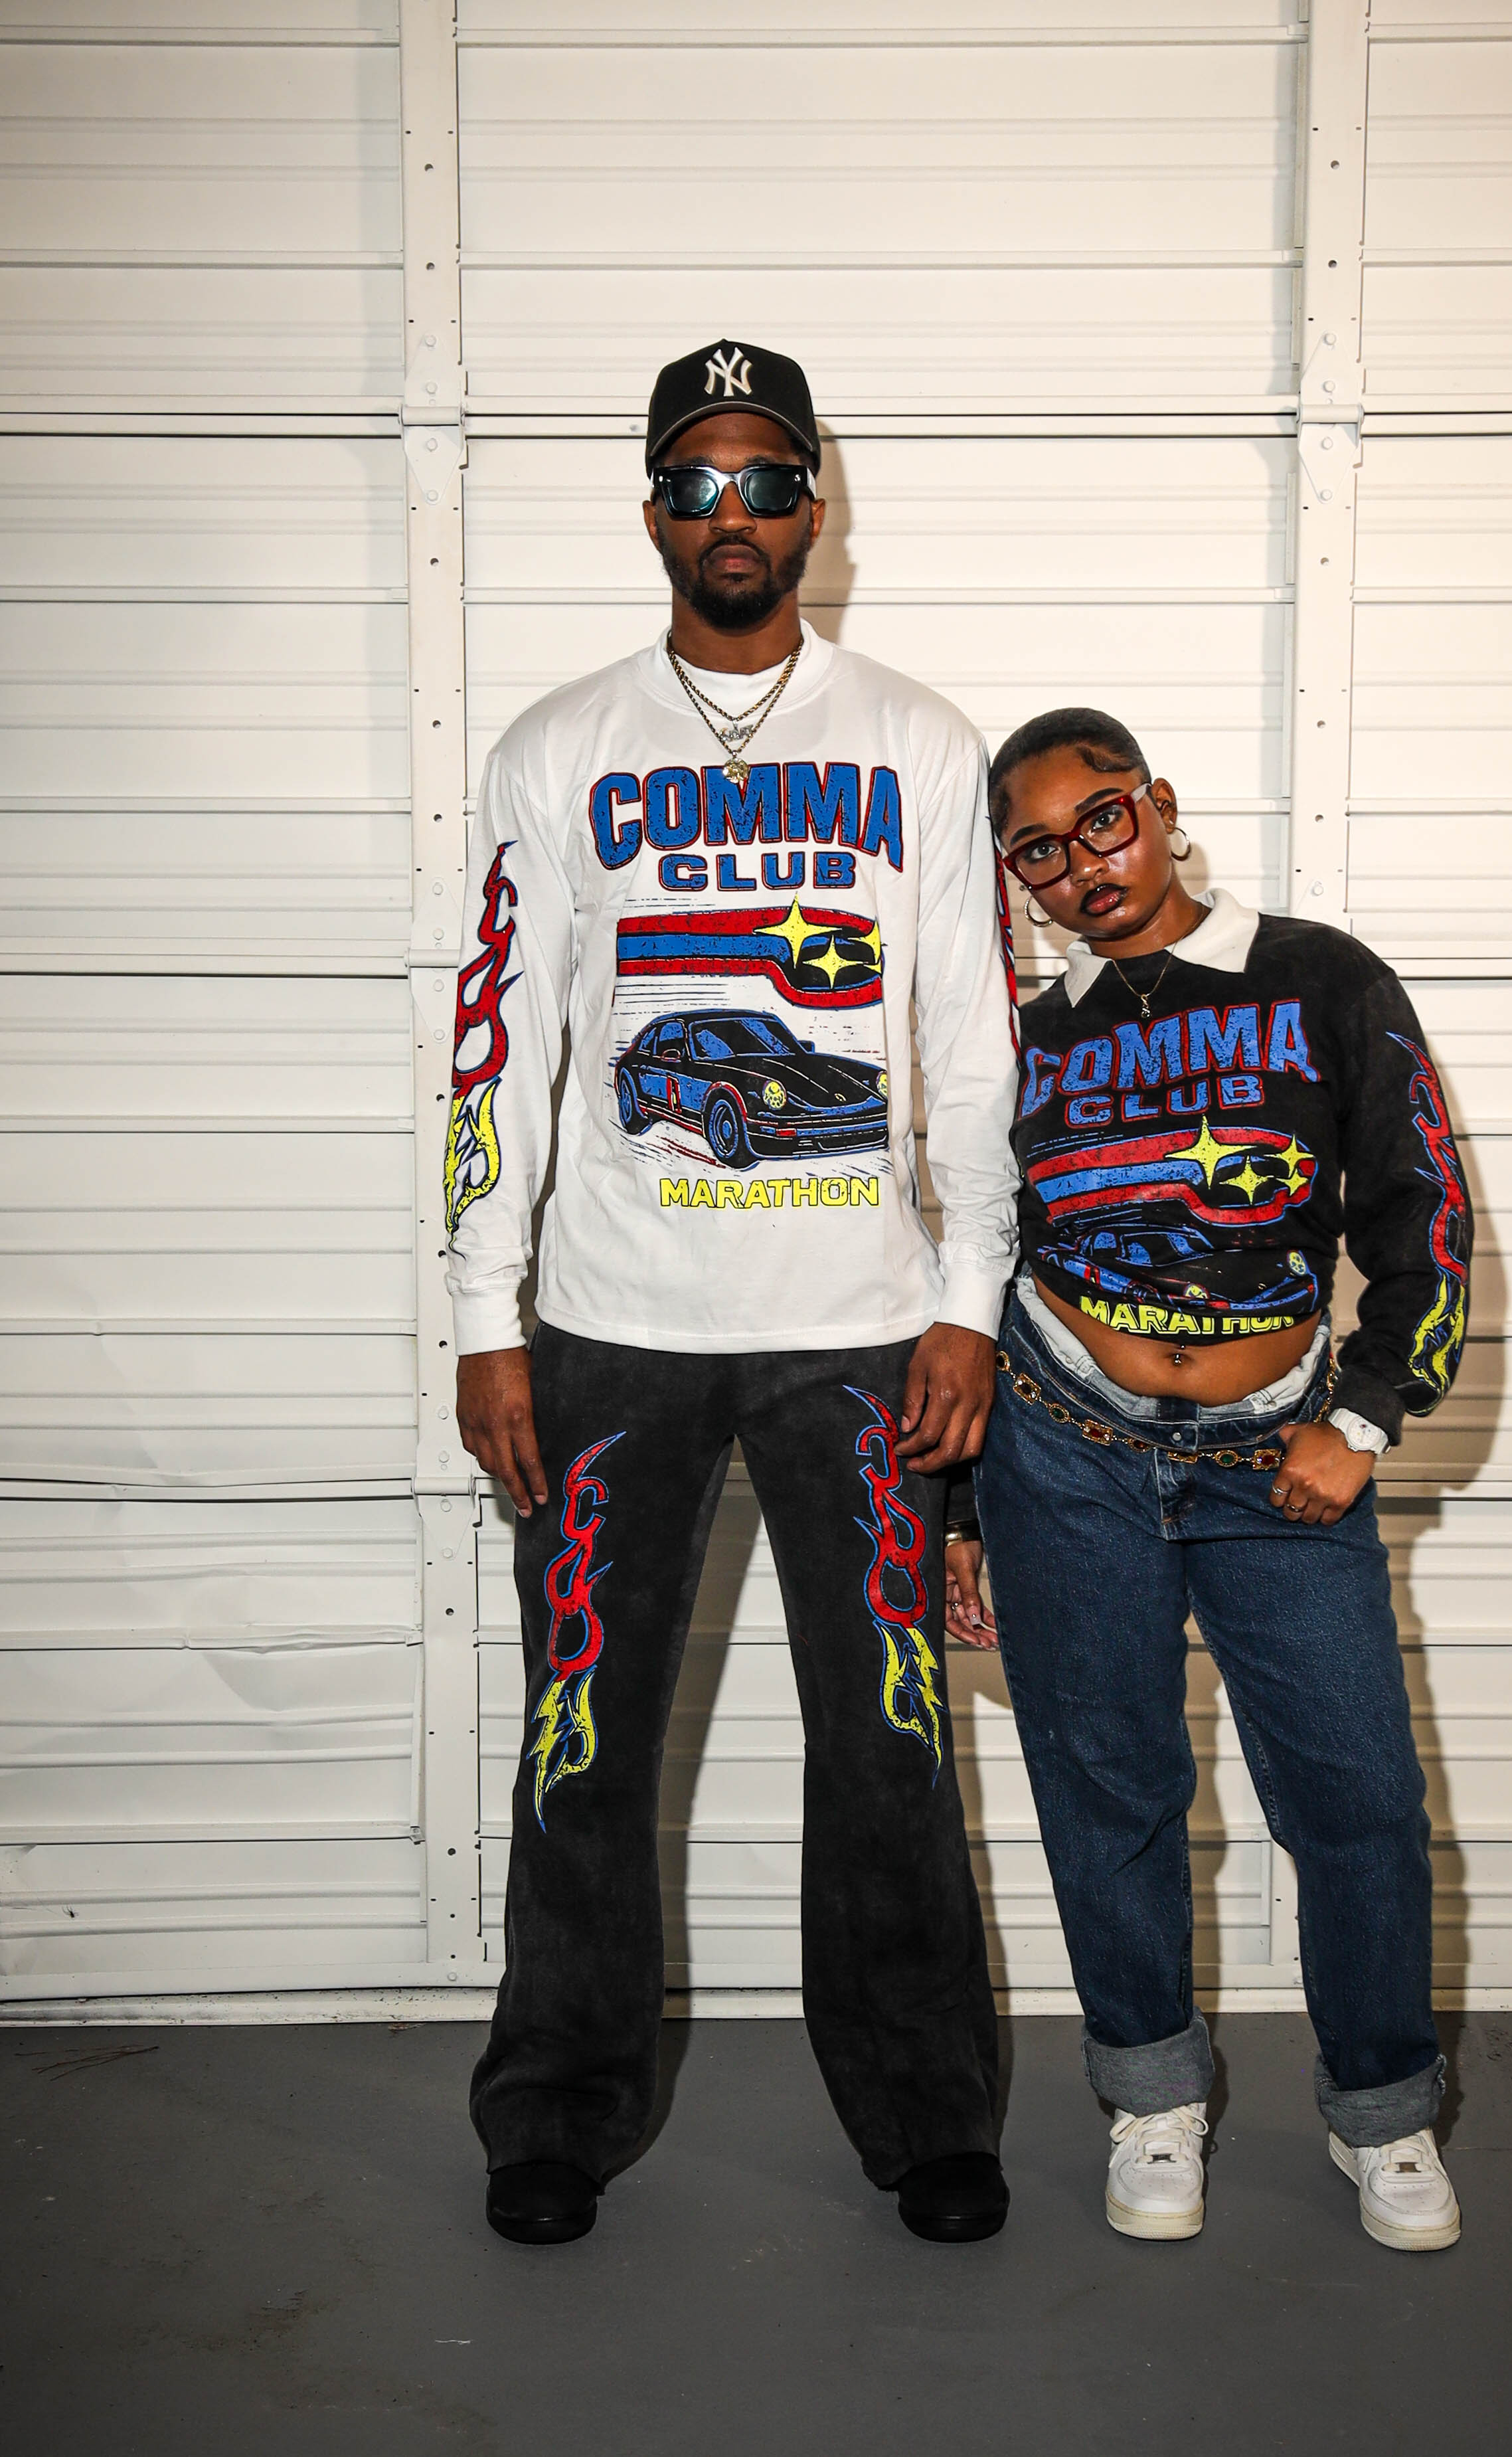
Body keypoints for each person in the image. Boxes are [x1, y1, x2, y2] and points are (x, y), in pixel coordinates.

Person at [447, 340, 1019, 2248]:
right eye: (697, 482)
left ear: (814, 508)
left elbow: (971, 1043)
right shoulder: (558, 747)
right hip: (611, 1330)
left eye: (768, 478)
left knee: (890, 1741)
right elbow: (500, 1047)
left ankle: (927, 2113)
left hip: (863, 1328)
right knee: (581, 1740)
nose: (735, 513)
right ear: (652, 516)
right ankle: (555, 2108)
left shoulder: (919, 742)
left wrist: (969, 1295)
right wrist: (484, 1314)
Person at [952, 706, 1471, 2254]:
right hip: (1063, 1448)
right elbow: (967, 1262)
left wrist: (1363, 1416)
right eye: (1038, 850)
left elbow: (1423, 1209)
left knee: (1358, 1796)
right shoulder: (1017, 1035)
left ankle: (1383, 2110)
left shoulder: (1320, 978)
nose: (1080, 866)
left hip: (1279, 1456)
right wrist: (959, 1505)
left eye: (1102, 820)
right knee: (1108, 1790)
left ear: (1158, 804)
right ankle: (1152, 2098)